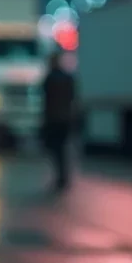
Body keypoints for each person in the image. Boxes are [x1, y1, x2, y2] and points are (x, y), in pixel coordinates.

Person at [41, 51, 78, 190]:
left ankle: (60, 177)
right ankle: (63, 177)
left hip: (54, 119)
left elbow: (46, 101)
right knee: (62, 150)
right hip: (64, 119)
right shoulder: (67, 78)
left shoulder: (50, 79)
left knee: (56, 150)